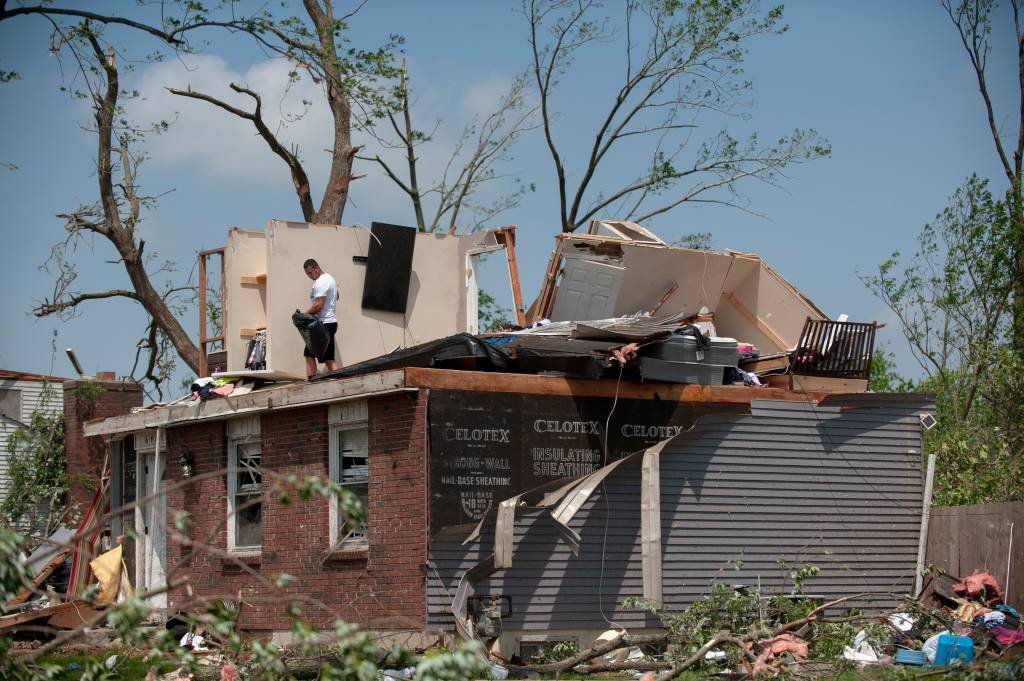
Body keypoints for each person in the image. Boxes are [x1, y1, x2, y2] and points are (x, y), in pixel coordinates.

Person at [302, 258, 339, 377]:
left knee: (311, 353)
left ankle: (312, 380)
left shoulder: (321, 282)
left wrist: (304, 316)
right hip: (328, 323)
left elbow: (318, 305)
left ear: (316, 268)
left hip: (324, 324)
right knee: (317, 354)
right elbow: (336, 296)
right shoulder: (329, 279)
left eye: (310, 272)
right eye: (307, 274)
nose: (309, 276)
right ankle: (338, 380)